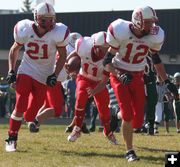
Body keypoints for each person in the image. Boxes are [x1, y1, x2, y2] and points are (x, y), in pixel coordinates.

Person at [103, 6, 179, 161]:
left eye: (153, 22)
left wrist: (167, 81)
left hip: (138, 76)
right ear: (138, 21)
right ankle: (129, 151)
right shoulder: (120, 30)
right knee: (128, 114)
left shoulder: (154, 36)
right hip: (119, 74)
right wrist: (119, 74)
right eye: (148, 23)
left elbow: (156, 60)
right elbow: (106, 62)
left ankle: (116, 115)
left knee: (137, 122)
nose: (152, 26)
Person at [5, 2, 70, 152]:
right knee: (20, 103)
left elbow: (63, 56)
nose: (48, 22)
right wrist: (11, 71)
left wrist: (54, 74)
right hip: (26, 70)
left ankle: (23, 124)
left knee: (30, 114)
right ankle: (11, 138)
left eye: (50, 19)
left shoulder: (58, 32)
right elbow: (14, 50)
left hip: (44, 75)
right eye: (44, 19)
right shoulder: (25, 29)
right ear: (36, 17)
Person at [67, 31, 117, 145]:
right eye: (102, 49)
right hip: (84, 77)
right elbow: (76, 52)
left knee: (104, 109)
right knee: (80, 98)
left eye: (107, 49)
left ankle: (108, 131)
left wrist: (94, 91)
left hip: (98, 83)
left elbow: (104, 82)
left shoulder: (109, 60)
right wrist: (68, 62)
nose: (105, 52)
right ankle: (77, 129)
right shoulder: (83, 46)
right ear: (94, 46)